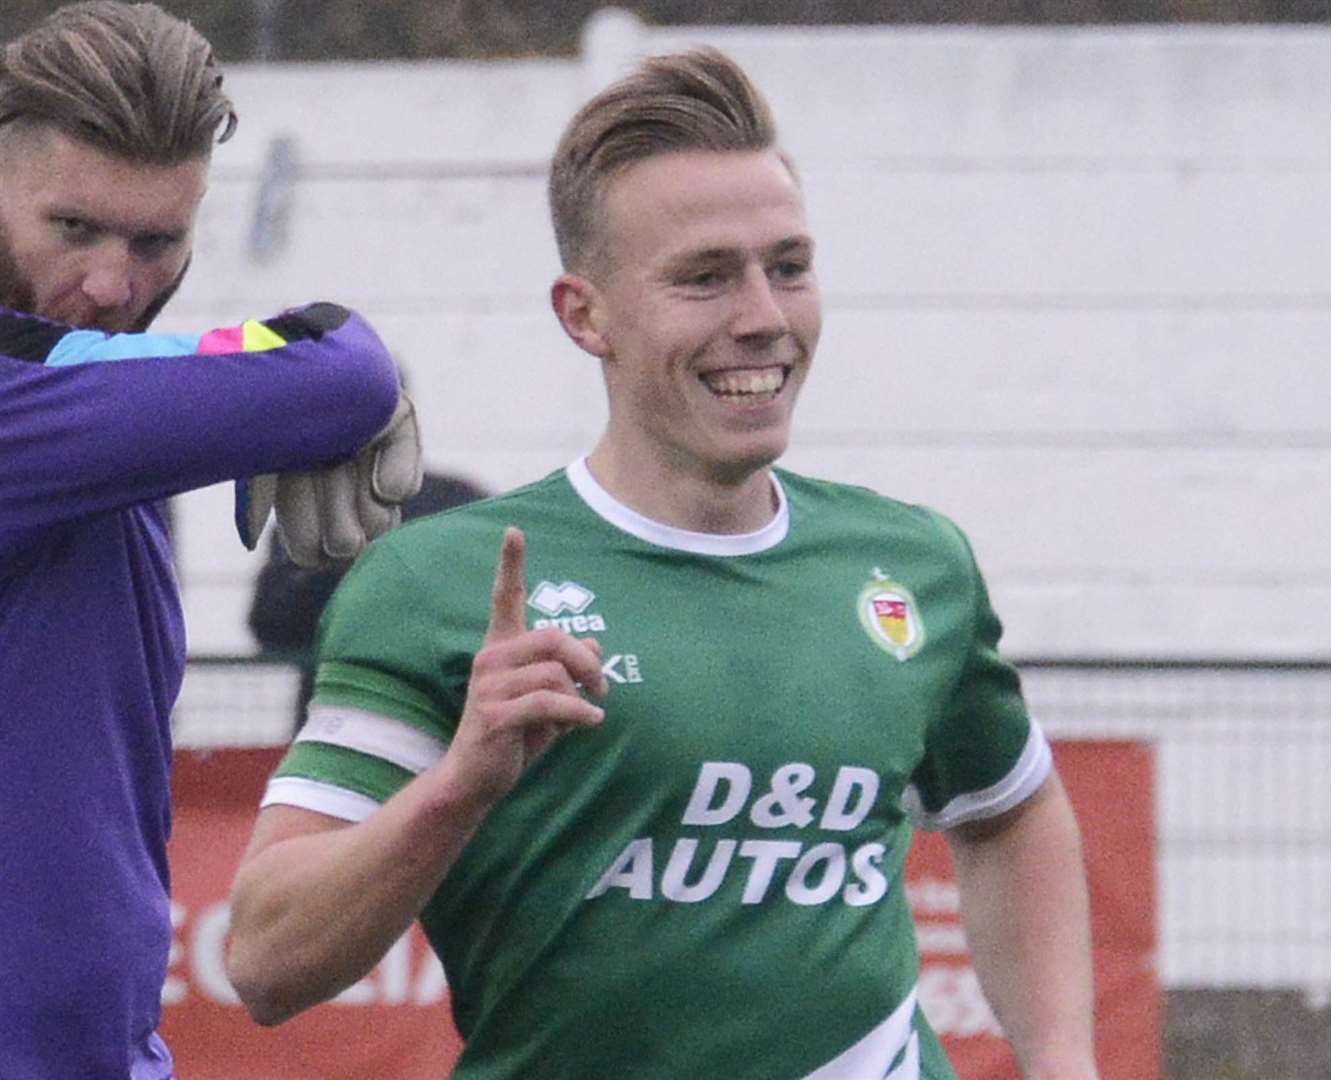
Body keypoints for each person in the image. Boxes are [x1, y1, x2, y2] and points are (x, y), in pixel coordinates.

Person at [226, 47, 1099, 1079]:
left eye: (788, 266)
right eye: (703, 278)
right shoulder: (441, 585)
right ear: (583, 313)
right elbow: (264, 961)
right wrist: (459, 785)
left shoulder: (910, 567)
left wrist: (1063, 1063)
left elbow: (1010, 809)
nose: (763, 318)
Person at [0, 4, 422, 1077]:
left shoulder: (97, 399)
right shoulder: (37, 401)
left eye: (158, 241)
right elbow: (345, 366)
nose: (112, 284)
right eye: (72, 229)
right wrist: (328, 400)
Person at [249, 465, 487, 733]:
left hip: (424, 719)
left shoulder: (452, 501)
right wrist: (323, 576)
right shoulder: (306, 511)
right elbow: (269, 626)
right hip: (339, 719)